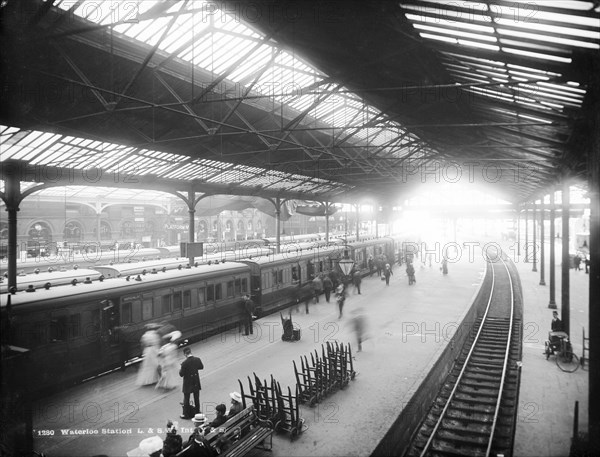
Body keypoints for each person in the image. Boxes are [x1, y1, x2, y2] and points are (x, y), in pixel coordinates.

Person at [179, 347, 204, 419]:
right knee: (196, 397)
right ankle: (197, 411)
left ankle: (186, 414)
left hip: (188, 382)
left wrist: (181, 368)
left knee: (186, 398)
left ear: (185, 354)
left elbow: (181, 374)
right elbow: (201, 367)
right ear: (190, 352)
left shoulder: (184, 363)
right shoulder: (197, 359)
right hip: (195, 380)